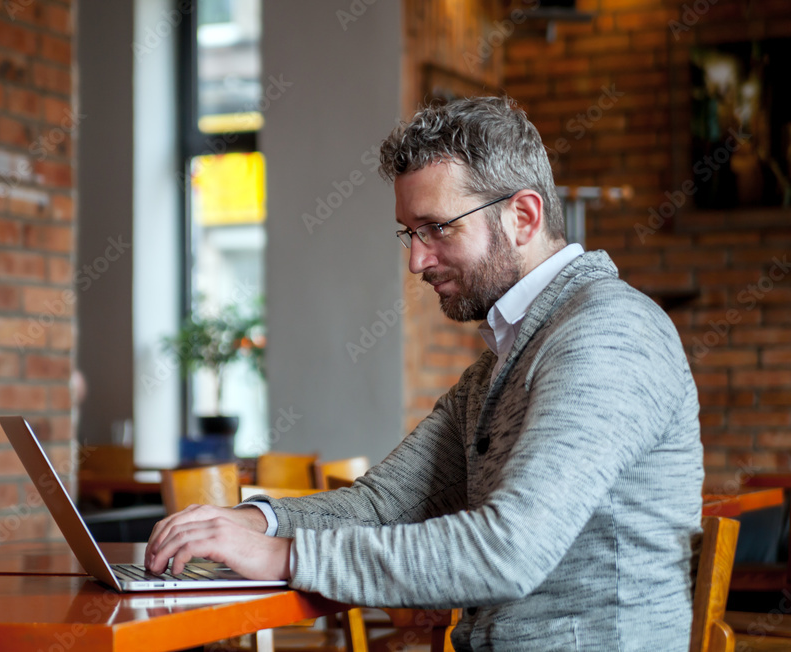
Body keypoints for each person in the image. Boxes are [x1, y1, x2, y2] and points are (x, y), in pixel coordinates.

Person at [146, 96, 704, 651]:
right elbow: (382, 507)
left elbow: (508, 550)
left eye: (437, 228)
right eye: (409, 233)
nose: (416, 261)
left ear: (523, 217)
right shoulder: (499, 366)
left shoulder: (609, 333)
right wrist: (252, 522)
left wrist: (284, 556)